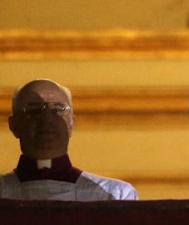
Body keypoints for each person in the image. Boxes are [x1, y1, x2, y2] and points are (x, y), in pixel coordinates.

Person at [0, 78, 138, 200]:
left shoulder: (114, 195)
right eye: (34, 110)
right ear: (14, 125)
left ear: (71, 123)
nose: (47, 119)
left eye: (59, 109)